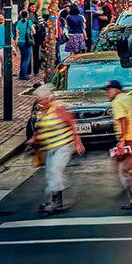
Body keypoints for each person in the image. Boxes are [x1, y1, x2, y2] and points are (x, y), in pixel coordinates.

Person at [28, 84, 84, 215]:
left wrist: (78, 142)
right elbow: (40, 127)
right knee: (50, 174)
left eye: (42, 100)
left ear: (48, 98)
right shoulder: (44, 111)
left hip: (64, 146)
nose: (40, 103)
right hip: (51, 147)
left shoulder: (58, 107)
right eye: (39, 100)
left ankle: (54, 202)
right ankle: (56, 201)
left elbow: (71, 123)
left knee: (55, 171)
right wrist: (34, 138)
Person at [106, 80, 132, 209]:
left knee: (127, 171)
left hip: (130, 139)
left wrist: (122, 140)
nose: (107, 93)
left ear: (116, 90)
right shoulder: (128, 98)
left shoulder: (117, 102)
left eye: (109, 90)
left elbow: (123, 120)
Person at [14, 9, 35, 80]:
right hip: (27, 42)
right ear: (27, 15)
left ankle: (21, 74)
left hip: (20, 42)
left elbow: (17, 33)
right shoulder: (29, 22)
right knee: (26, 59)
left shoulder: (18, 23)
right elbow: (34, 31)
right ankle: (24, 75)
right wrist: (30, 33)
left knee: (22, 58)